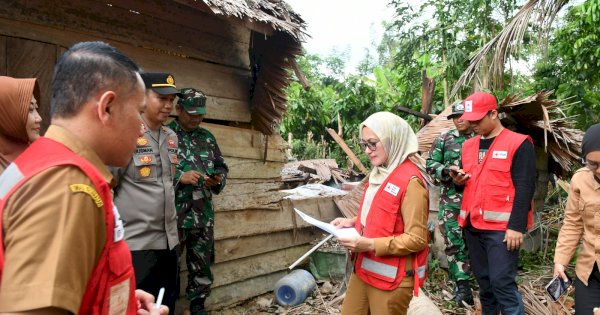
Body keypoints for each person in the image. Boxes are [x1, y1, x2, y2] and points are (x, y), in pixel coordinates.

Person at [0, 41, 167, 314]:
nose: (141, 130)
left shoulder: (46, 162)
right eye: (138, 113)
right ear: (107, 108)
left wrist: (113, 297)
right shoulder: (68, 188)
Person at [330, 112, 429, 315]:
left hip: (392, 280)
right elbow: (382, 217)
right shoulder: (379, 175)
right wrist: (353, 222)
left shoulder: (411, 183)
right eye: (364, 144)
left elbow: (417, 239)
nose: (367, 150)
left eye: (373, 143)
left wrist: (370, 244)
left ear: (392, 140)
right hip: (364, 270)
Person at [450, 91, 536, 315]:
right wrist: (458, 181)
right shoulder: (468, 146)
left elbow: (525, 187)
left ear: (494, 113)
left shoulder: (518, 144)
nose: (473, 124)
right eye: (471, 120)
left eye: (478, 120)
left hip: (502, 230)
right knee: (485, 285)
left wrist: (516, 226)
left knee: (502, 284)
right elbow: (471, 183)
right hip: (473, 226)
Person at [111, 72, 181, 314]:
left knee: (166, 306)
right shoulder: (127, 135)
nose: (168, 105)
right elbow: (109, 186)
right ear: (143, 97)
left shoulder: (172, 137)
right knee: (136, 307)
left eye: (172, 99)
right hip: (136, 245)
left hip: (169, 243)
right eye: (162, 98)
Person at [167, 88, 228, 315]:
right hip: (173, 215)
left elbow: (221, 168)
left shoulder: (207, 138)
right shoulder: (166, 134)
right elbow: (151, 172)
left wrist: (217, 180)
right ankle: (167, 306)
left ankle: (198, 306)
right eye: (191, 113)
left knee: (201, 262)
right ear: (178, 108)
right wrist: (179, 177)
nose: (196, 119)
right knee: (169, 265)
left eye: (200, 114)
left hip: (203, 214)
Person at [426, 101, 475, 306]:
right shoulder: (445, 138)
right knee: (454, 243)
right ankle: (462, 286)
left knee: (477, 242)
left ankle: (483, 280)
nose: (459, 119)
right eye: (455, 116)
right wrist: (447, 171)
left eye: (462, 115)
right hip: (452, 200)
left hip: (477, 200)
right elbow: (430, 164)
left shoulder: (482, 138)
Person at [553, 123, 600, 314]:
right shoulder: (580, 180)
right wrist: (560, 261)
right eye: (593, 164)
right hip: (589, 270)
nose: (598, 170)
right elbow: (573, 224)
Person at [0, 76, 42, 173]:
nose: (39, 118)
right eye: (30, 110)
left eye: (36, 108)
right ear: (8, 114)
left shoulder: (41, 154)